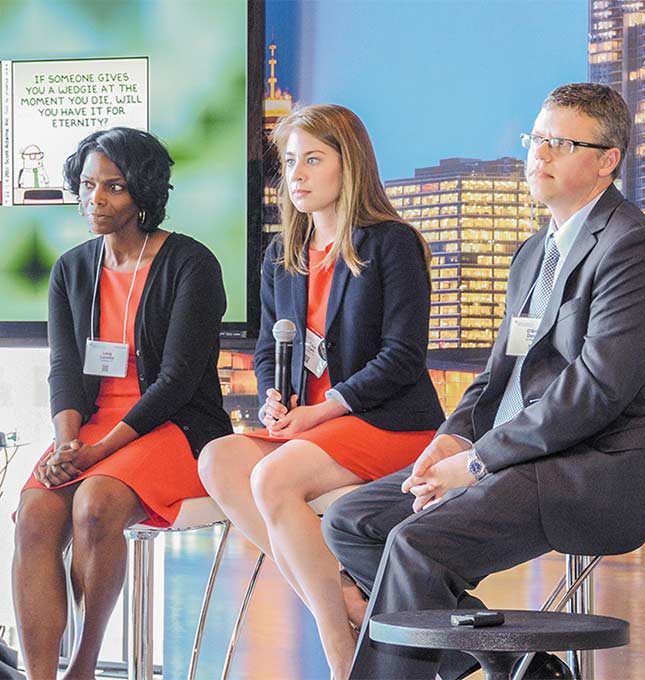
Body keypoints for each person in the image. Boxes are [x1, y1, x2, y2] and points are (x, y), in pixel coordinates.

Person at [322, 83, 645, 679]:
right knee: (353, 522)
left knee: (419, 544)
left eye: (560, 143)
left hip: (608, 462)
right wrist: (453, 439)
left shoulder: (636, 249)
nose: (539, 155)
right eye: (536, 139)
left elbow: (595, 391)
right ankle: (513, 659)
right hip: (525, 455)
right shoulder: (533, 253)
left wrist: (478, 464)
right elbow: (497, 377)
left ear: (607, 161)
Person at [198, 104, 444, 680]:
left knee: (273, 477)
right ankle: (344, 594)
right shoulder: (280, 258)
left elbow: (403, 357)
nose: (297, 175)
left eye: (313, 159)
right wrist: (272, 399)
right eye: (288, 163)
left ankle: (338, 650)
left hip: (387, 423)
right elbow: (266, 348)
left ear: (348, 164)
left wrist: (321, 411)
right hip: (312, 425)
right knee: (218, 459)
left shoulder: (391, 244)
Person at [12, 127, 232, 680]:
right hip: (90, 429)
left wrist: (98, 452)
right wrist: (67, 442)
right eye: (87, 186)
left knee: (95, 503)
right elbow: (65, 368)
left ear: (144, 193)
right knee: (36, 512)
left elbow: (179, 380)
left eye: (113, 187)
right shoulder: (71, 268)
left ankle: (83, 667)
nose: (96, 200)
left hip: (175, 427)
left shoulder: (191, 264)